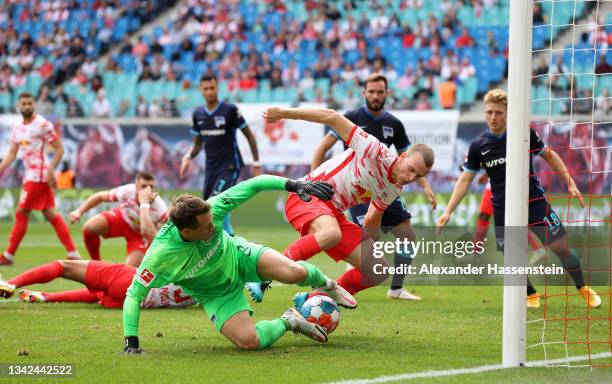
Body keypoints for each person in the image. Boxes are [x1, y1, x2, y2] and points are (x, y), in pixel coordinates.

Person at [121, 175, 356, 354]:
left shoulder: (212, 208)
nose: (212, 227)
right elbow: (133, 295)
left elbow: (255, 184)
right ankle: (291, 320)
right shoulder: (160, 255)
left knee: (294, 271)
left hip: (240, 256)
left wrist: (295, 185)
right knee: (248, 342)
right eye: (205, 227)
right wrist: (131, 342)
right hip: (216, 294)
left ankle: (328, 285)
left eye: (211, 221)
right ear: (186, 231)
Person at [250, 106, 434, 302]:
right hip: (306, 196)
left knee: (378, 269)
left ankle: (315, 300)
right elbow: (332, 116)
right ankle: (263, 277)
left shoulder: (393, 189)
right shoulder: (374, 150)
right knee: (331, 233)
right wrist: (284, 113)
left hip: (332, 214)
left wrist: (365, 249)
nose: (411, 177)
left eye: (419, 176)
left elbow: (372, 219)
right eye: (411, 169)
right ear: (403, 156)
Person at [437, 89, 601, 309]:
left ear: (507, 114)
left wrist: (569, 182)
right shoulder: (478, 146)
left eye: (498, 112)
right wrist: (448, 210)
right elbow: (465, 181)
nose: (493, 117)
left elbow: (549, 155)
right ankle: (531, 294)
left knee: (561, 247)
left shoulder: (524, 134)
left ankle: (583, 288)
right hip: (504, 208)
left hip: (534, 202)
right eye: (489, 112)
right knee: (512, 257)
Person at [308, 74, 434, 301]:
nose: (376, 96)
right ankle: (343, 285)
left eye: (380, 92)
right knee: (365, 242)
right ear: (364, 93)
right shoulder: (352, 117)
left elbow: (412, 162)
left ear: (387, 93)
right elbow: (323, 147)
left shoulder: (394, 124)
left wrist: (425, 186)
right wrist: (314, 180)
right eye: (372, 91)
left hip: (388, 187)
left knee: (407, 235)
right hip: (359, 190)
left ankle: (396, 289)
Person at [0, 92, 80, 265]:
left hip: (39, 175)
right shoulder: (18, 127)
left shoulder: (43, 124)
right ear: (18, 106)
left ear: (34, 104)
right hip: (31, 174)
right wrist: (1, 168)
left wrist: (51, 170)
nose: (27, 106)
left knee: (21, 212)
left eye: (30, 103)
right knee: (50, 213)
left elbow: (59, 149)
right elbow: (13, 153)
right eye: (24, 104)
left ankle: (8, 255)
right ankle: (73, 252)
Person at [179, 74, 261, 236]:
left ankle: (229, 238)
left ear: (217, 88)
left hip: (230, 165)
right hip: (211, 168)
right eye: (206, 89)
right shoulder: (198, 114)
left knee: (213, 204)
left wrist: (256, 164)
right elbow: (197, 143)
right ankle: (224, 239)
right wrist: (188, 157)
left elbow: (250, 136)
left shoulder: (230, 110)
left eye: (212, 88)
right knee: (209, 205)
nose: (209, 92)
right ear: (201, 90)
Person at [0, 260, 195, 309]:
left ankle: (10, 284)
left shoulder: (190, 259)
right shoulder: (210, 287)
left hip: (128, 278)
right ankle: (47, 296)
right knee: (99, 295)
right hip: (130, 302)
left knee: (63, 266)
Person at [69, 172, 167, 267]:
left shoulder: (160, 207)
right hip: (122, 219)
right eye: (143, 186)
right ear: (135, 186)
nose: (148, 190)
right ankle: (96, 263)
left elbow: (172, 228)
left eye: (151, 187)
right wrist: (79, 211)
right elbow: (99, 197)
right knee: (89, 227)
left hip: (140, 234)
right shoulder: (126, 191)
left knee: (128, 271)